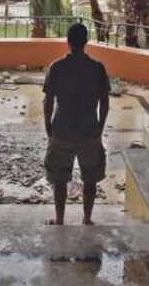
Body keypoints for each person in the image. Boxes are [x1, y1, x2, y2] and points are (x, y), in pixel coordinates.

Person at [43, 23, 111, 225]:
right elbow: (105, 102)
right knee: (90, 179)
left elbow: (49, 100)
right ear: (86, 41)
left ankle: (60, 219)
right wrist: (100, 127)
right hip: (89, 130)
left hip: (62, 129)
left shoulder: (57, 67)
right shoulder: (97, 68)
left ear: (68, 41)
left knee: (59, 179)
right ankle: (87, 218)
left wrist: (48, 125)